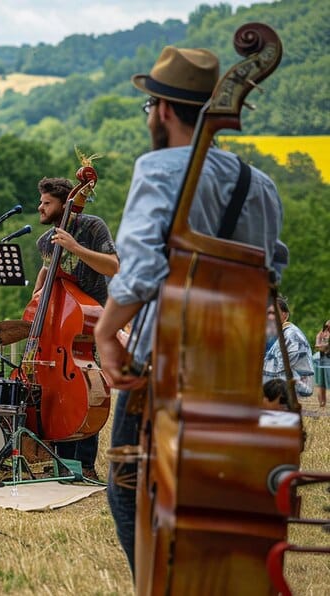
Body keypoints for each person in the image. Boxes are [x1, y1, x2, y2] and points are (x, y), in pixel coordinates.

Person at [92, 47, 287, 575]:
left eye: (149, 107)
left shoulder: (157, 170)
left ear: (162, 110)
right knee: (215, 503)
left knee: (129, 495)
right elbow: (272, 270)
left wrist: (107, 333)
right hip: (236, 370)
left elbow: (138, 267)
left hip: (167, 370)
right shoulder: (260, 187)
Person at [31, 176, 119, 480]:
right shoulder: (45, 241)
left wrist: (75, 247)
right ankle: (55, 461)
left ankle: (83, 465)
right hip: (59, 327)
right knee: (54, 389)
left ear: (66, 204)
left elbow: (113, 266)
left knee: (86, 387)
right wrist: (38, 292)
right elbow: (47, 267)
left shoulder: (92, 227)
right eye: (41, 201)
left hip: (90, 320)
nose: (39, 207)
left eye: (46, 203)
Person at [262, 295, 314, 398]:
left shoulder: (292, 335)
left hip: (290, 391)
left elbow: (282, 369)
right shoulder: (278, 334)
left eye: (273, 313)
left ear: (285, 315)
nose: (269, 317)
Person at [313, 319, 329, 409]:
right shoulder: (321, 334)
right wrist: (324, 346)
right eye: (327, 326)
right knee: (321, 383)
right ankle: (322, 404)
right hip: (321, 359)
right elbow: (316, 346)